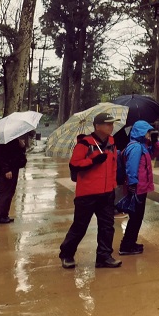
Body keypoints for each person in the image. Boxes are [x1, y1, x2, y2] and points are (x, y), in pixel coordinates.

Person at [59, 112, 122, 269]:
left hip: (107, 193)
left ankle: (104, 257)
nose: (111, 126)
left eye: (112, 123)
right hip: (87, 194)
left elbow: (114, 165)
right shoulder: (85, 144)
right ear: (97, 126)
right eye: (108, 124)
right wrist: (92, 161)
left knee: (107, 226)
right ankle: (66, 254)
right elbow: (74, 165)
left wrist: (114, 184)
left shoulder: (112, 142)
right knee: (80, 226)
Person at [118, 120, 159, 255]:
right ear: (142, 132)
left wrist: (155, 142)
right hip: (137, 188)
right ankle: (126, 246)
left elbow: (153, 154)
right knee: (136, 217)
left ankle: (130, 243)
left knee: (137, 217)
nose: (149, 134)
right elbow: (132, 167)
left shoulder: (141, 146)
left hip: (141, 187)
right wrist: (132, 183)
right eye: (148, 132)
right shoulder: (136, 147)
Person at [0, 134, 29, 224]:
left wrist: (21, 146)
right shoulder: (2, 140)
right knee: (4, 192)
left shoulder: (12, 138)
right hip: (8, 170)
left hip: (13, 168)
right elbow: (1, 156)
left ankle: (4, 215)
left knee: (9, 192)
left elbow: (16, 152)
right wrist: (6, 170)